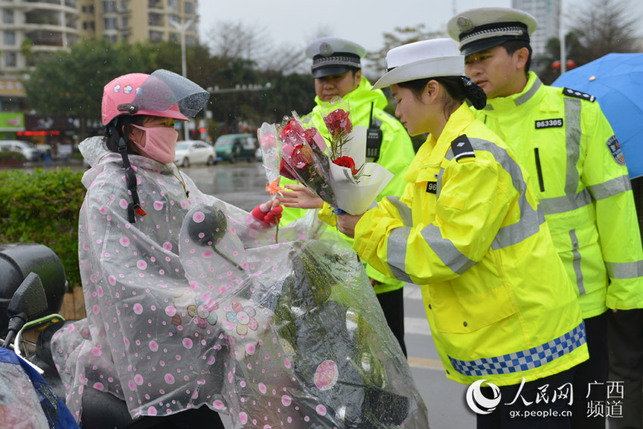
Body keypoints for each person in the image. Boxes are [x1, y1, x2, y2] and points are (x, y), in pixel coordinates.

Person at [50, 70, 429, 428]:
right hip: (156, 345)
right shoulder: (111, 191)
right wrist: (208, 306)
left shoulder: (164, 176)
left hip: (193, 338)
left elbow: (206, 223)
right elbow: (123, 279)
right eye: (163, 124)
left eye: (172, 125)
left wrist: (255, 223)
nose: (172, 133)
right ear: (131, 130)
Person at [294, 37, 590, 428]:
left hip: (528, 344)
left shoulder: (473, 159)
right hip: (501, 343)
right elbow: (410, 210)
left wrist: (362, 226)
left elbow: (442, 251)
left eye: (400, 98)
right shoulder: (438, 147)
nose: (396, 109)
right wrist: (338, 209)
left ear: (431, 91)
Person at [446, 8, 643, 428]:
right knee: (502, 420)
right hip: (503, 314)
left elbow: (615, 204)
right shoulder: (464, 127)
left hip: (582, 303)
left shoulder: (578, 112)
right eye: (468, 60)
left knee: (588, 416)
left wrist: (627, 293)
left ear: (520, 57)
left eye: (483, 57)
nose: (472, 69)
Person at [280, 37, 416, 356]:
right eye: (321, 78)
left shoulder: (385, 130)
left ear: (357, 77)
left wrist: (376, 273)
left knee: (385, 374)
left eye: (336, 77)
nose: (328, 86)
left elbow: (400, 202)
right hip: (317, 281)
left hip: (372, 277)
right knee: (326, 376)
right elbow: (289, 205)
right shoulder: (301, 132)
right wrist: (292, 268)